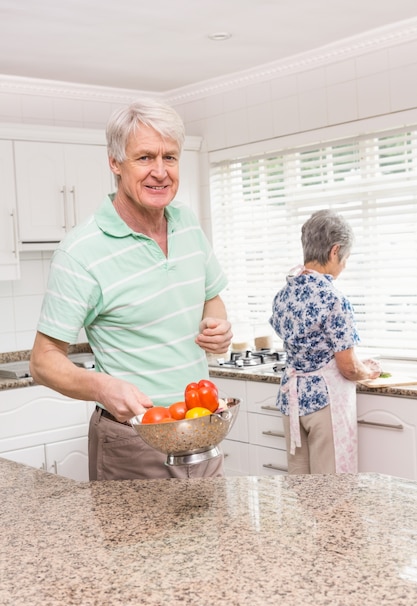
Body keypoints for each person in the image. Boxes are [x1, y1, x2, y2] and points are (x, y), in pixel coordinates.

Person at [30, 98, 232, 481]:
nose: (160, 172)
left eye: (170, 157)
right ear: (115, 163)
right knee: (142, 545)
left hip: (203, 428)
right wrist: (101, 386)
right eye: (144, 158)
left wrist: (217, 327)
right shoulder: (82, 252)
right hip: (135, 441)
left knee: (214, 541)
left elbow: (211, 297)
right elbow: (42, 360)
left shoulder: (188, 223)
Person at [269, 209, 381, 475]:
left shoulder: (284, 294)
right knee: (332, 490)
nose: (344, 264)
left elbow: (308, 347)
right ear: (334, 251)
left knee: (301, 488)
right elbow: (348, 368)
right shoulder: (334, 299)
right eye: (346, 257)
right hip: (324, 404)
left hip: (292, 401)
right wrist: (368, 371)